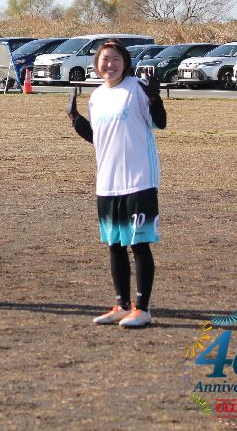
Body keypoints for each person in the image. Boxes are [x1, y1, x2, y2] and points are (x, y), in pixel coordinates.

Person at [66, 40, 166, 328]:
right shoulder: (97, 96)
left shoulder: (136, 88)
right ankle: (122, 306)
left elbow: (160, 123)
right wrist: (76, 120)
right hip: (108, 183)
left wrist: (155, 99)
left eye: (115, 59)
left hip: (139, 181)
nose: (109, 64)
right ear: (97, 64)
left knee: (139, 244)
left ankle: (142, 309)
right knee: (115, 244)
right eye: (104, 59)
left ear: (125, 63)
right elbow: (100, 138)